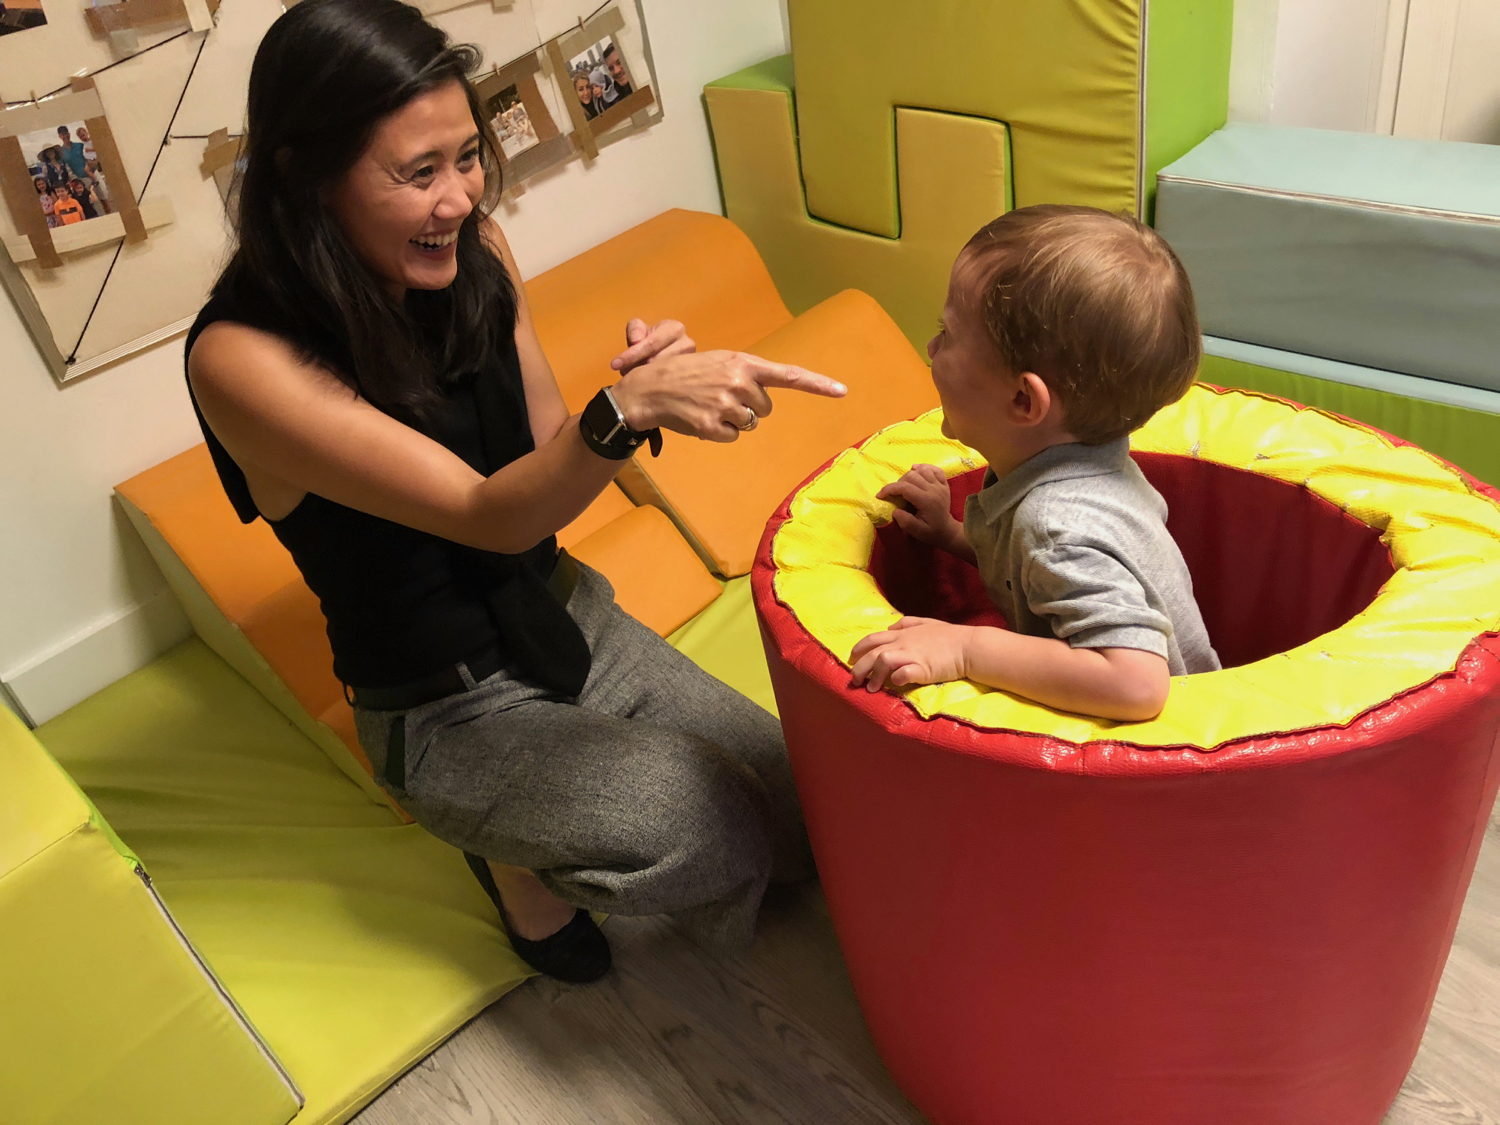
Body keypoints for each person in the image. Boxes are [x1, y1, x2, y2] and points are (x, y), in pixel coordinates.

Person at [186, 0, 843, 984]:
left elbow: (546, 459)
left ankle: (540, 823)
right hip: (449, 708)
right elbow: (488, 516)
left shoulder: (476, 252)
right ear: (304, 176)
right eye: (418, 173)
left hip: (566, 617)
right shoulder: (240, 358)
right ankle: (513, 867)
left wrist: (638, 397)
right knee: (720, 834)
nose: (459, 197)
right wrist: (620, 413)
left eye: (466, 157)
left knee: (812, 813)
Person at [851, 205, 1220, 721]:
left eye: (949, 333)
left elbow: (1136, 684)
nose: (931, 346)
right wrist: (952, 535)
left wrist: (964, 651)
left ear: (1024, 402)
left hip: (1156, 764)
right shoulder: (1086, 463)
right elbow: (1040, 577)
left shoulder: (1057, 523)